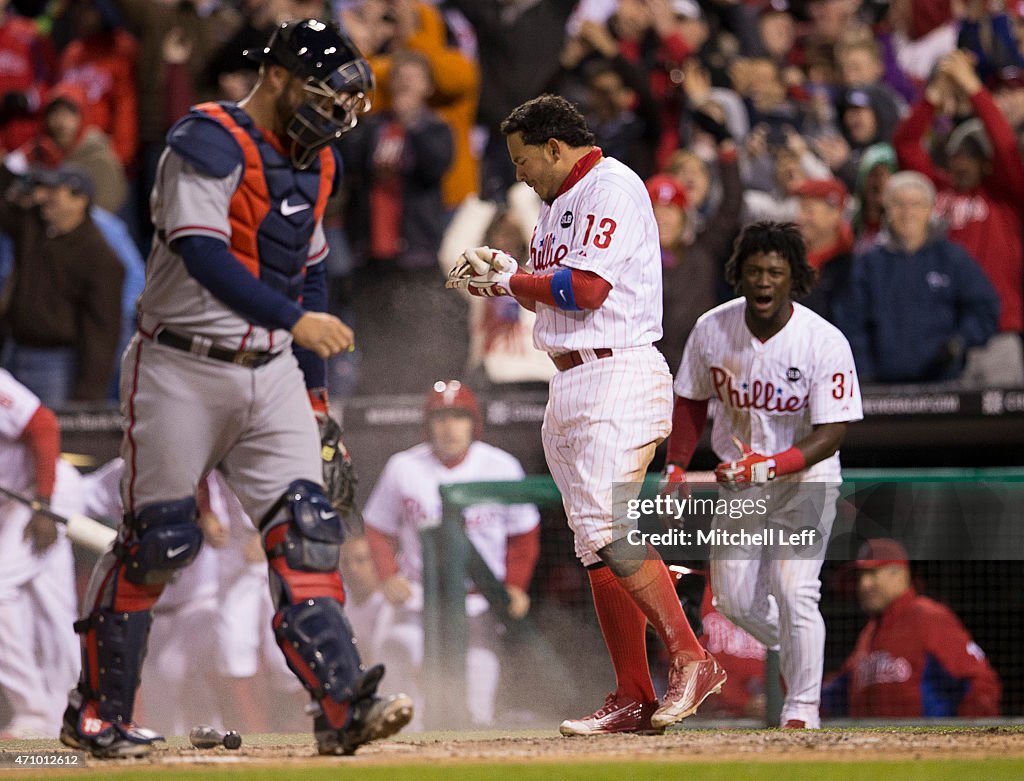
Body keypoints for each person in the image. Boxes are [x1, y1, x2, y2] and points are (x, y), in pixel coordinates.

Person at [59, 19, 412, 759]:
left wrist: (315, 397)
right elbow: (200, 253)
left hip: (274, 365)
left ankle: (343, 704)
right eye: (322, 94)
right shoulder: (206, 138)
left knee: (310, 529)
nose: (335, 113)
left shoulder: (317, 164)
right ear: (277, 77)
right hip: (180, 366)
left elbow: (309, 266)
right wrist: (297, 320)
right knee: (160, 541)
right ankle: (95, 713)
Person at [446, 94, 723, 735]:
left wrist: (508, 283)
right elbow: (552, 294)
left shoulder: (611, 183)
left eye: (523, 160)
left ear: (554, 147)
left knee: (605, 522)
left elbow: (587, 289)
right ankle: (633, 692)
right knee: (593, 545)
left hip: (619, 369)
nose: (519, 173)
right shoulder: (551, 211)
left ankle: (692, 658)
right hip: (569, 378)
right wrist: (506, 271)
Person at [662, 220, 863, 729]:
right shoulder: (713, 328)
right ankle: (799, 641)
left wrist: (770, 464)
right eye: (755, 271)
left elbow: (832, 432)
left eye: (776, 271)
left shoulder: (823, 340)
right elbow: (690, 398)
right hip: (743, 485)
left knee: (797, 592)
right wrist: (678, 462)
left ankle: (802, 709)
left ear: (793, 275)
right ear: (740, 275)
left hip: (805, 480)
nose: (765, 281)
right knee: (731, 601)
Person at [362, 380, 540, 727]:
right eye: (441, 418)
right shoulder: (404, 466)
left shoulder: (501, 466)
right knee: (403, 697)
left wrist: (517, 584)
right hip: (417, 598)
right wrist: (388, 575)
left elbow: (524, 533)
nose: (450, 427)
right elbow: (377, 527)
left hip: (480, 603)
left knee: (477, 695)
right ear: (428, 425)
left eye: (459, 417)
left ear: (474, 423)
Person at [837, 171, 999, 384]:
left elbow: (985, 308)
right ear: (887, 210)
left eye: (916, 204)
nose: (907, 212)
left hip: (944, 385)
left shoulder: (952, 258)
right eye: (899, 204)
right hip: (881, 386)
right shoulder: (868, 264)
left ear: (930, 210)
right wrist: (863, 371)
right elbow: (850, 322)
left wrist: (960, 341)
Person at [822, 538, 1001, 718]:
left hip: (929, 744)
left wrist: (966, 739)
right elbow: (839, 692)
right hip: (875, 745)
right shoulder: (868, 633)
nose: (864, 585)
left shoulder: (928, 617)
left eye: (873, 574)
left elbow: (980, 683)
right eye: (861, 577)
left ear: (900, 575)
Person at [0, 162, 124, 406]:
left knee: (50, 440)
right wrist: (19, 187)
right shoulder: (33, 225)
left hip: (56, 364)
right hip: (13, 350)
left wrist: (88, 395)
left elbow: (103, 332)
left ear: (80, 200)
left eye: (55, 191)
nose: (45, 197)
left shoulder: (99, 256)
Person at [0, 369, 81, 737]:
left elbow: (43, 425)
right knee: (52, 608)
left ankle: (35, 710)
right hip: (18, 501)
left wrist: (44, 506)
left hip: (42, 492)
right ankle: (69, 710)